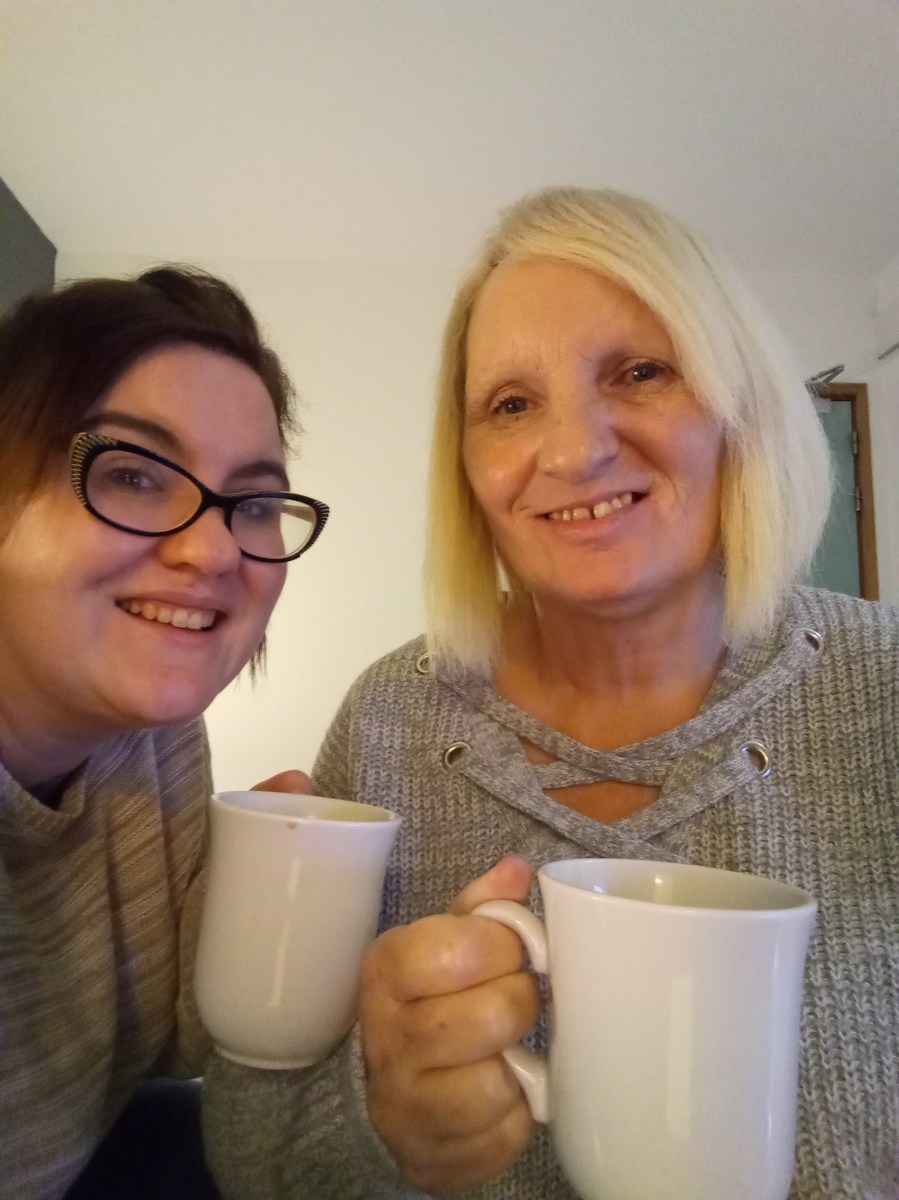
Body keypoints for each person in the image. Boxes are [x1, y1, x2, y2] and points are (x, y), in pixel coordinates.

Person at [203, 188, 899, 1200]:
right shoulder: (387, 718)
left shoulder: (880, 689)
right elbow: (251, 1145)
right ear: (466, 468)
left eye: (641, 372)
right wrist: (378, 1120)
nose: (573, 452)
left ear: (739, 407)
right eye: (510, 405)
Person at [0, 267, 327, 1200]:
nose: (214, 550)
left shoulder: (155, 739)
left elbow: (159, 1037)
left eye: (252, 503)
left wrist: (259, 920)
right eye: (135, 475)